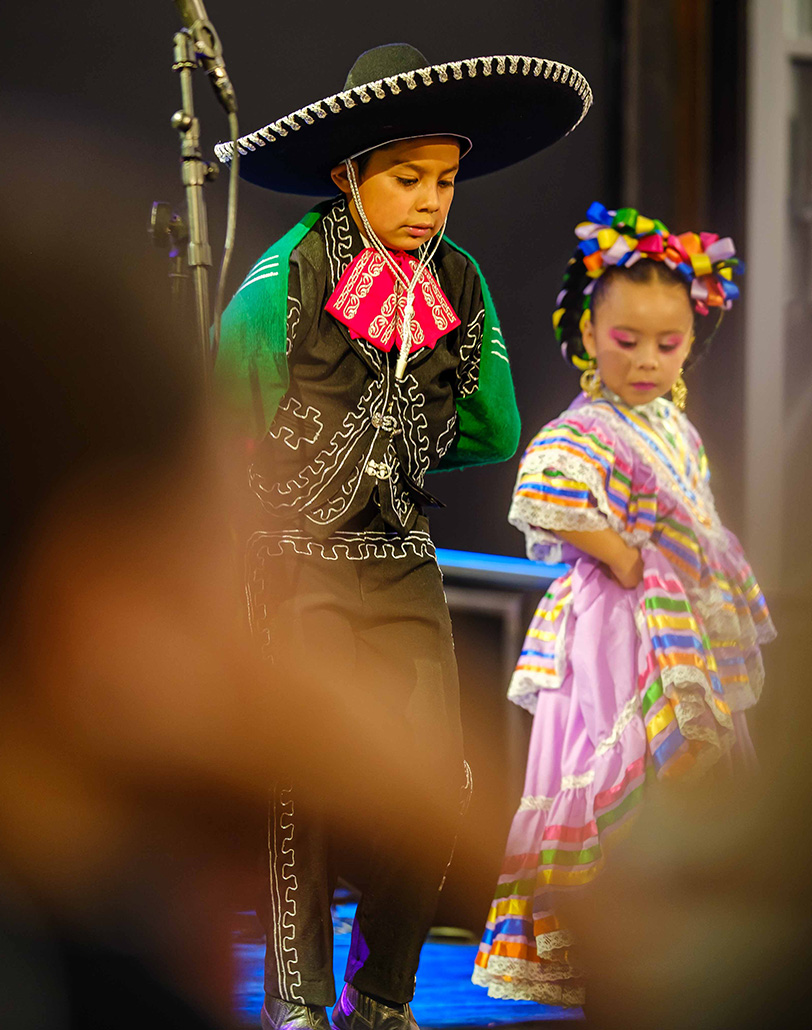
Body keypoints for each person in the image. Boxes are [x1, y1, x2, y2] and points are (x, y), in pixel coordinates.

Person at [213, 42, 592, 1030]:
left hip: (399, 562)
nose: (430, 202)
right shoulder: (285, 281)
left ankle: (378, 994)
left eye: (445, 181)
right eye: (406, 178)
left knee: (439, 780)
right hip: (293, 563)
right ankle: (297, 1000)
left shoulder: (457, 283)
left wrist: (397, 448)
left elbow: (495, 426)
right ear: (349, 175)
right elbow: (218, 423)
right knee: (300, 775)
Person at [472, 203, 776, 1006]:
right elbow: (548, 495)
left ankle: (681, 946)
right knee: (624, 761)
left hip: (682, 627)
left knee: (692, 778)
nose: (645, 359)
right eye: (626, 340)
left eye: (666, 345)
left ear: (690, 341)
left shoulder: (674, 426)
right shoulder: (587, 428)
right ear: (588, 334)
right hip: (619, 628)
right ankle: (617, 950)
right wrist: (623, 554)